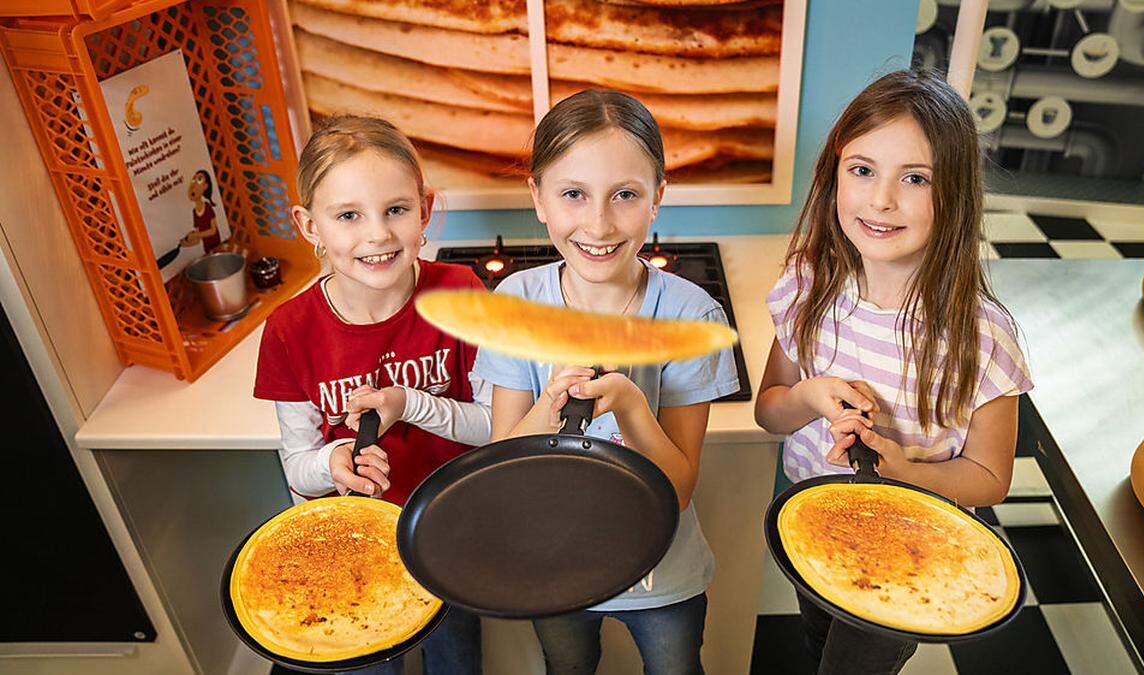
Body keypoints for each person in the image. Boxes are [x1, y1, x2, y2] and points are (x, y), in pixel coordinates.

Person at [754, 70, 1033, 675]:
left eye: (914, 179)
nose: (881, 200)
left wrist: (903, 469)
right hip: (815, 522)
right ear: (834, 175)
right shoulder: (808, 285)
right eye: (861, 170)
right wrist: (807, 395)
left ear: (954, 194)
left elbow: (990, 478)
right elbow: (770, 408)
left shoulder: (982, 339)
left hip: (912, 551)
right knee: (816, 635)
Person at [472, 89, 740, 675]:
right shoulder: (516, 305)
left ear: (657, 199)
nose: (598, 224)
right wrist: (548, 406)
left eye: (625, 195)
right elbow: (500, 467)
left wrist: (629, 404)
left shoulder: (691, 317)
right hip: (554, 564)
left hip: (661, 568)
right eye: (573, 194)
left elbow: (679, 488)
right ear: (538, 197)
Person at [253, 115, 489, 675]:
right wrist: (333, 463)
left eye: (396, 210)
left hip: (448, 533)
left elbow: (495, 426)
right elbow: (296, 466)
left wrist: (409, 404)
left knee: (455, 661)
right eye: (349, 216)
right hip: (354, 549)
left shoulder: (463, 293)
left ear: (424, 210)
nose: (378, 234)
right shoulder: (289, 331)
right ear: (310, 225)